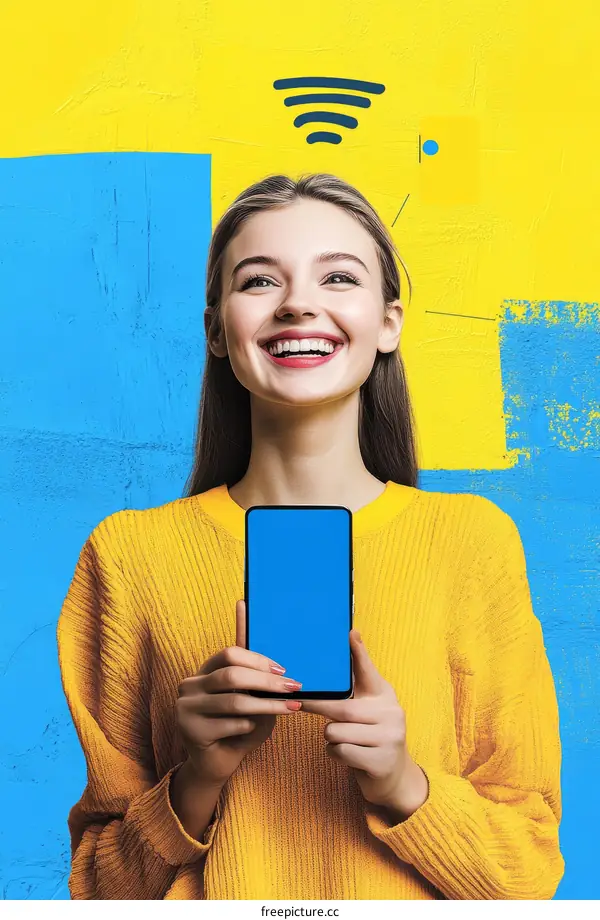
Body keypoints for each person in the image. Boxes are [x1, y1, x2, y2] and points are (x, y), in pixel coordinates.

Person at [56, 173, 564, 900]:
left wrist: (402, 782)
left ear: (388, 323)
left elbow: (528, 873)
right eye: (260, 280)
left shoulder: (471, 542)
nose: (299, 302)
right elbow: (96, 891)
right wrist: (195, 777)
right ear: (216, 330)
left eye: (338, 276)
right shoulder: (129, 555)